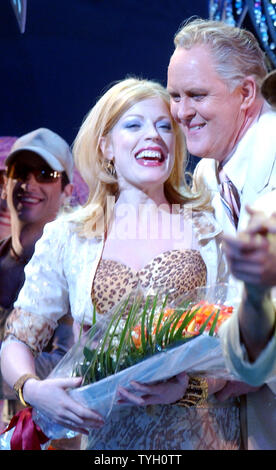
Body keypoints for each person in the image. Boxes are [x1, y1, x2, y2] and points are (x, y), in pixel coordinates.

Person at [0, 78, 240, 450]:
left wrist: (189, 388)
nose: (154, 136)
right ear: (105, 146)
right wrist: (32, 389)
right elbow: (19, 339)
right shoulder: (69, 236)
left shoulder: (211, 228)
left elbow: (241, 344)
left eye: (165, 127)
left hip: (200, 437)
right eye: (134, 125)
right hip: (106, 441)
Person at [167, 18, 276, 238]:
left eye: (197, 95)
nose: (182, 112)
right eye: (175, 97)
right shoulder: (205, 175)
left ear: (246, 93)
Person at [0, 128, 75, 427]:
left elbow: (69, 368)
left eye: (46, 173)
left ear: (68, 191)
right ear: (4, 183)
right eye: (21, 172)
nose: (30, 183)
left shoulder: (76, 269)